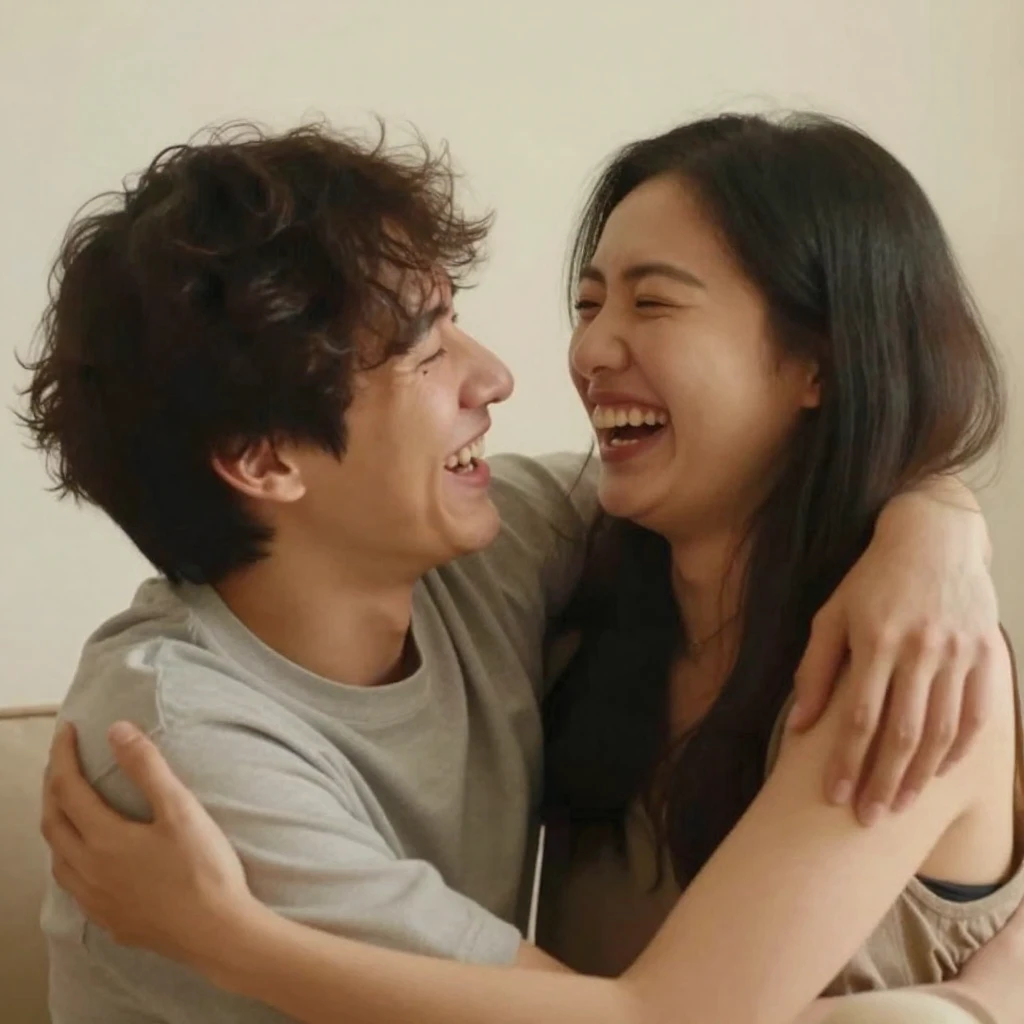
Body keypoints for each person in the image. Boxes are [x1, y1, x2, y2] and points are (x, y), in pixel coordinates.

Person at [28, 116, 1013, 1024]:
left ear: (818, 360)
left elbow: (841, 460)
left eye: (652, 301)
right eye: (422, 351)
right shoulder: (181, 746)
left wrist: (936, 527)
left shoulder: (505, 558)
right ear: (265, 459)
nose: (507, 375)